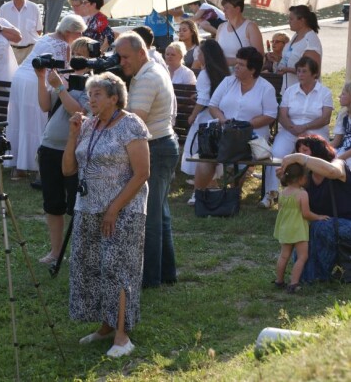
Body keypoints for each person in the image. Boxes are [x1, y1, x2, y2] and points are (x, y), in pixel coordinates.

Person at [62, 72, 150, 358]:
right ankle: (106, 325)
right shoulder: (89, 125)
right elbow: (67, 170)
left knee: (117, 268)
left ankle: (122, 337)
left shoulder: (131, 124)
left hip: (124, 210)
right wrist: (73, 134)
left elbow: (142, 173)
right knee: (92, 267)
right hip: (87, 207)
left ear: (115, 98)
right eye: (90, 94)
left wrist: (113, 208)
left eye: (98, 94)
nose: (91, 99)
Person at [115, 32, 178, 288]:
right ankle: (166, 273)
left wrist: (108, 113)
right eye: (119, 57)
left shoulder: (148, 78)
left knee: (149, 218)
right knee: (159, 216)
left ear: (141, 52)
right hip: (162, 144)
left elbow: (136, 120)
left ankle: (150, 279)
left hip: (156, 147)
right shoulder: (151, 69)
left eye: (125, 57)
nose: (121, 63)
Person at [6, 14, 86, 179]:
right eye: (79, 33)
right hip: (34, 80)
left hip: (20, 77)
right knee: (37, 121)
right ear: (70, 31)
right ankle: (35, 165)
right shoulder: (63, 45)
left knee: (22, 120)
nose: (80, 37)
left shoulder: (47, 36)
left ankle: (18, 165)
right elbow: (65, 72)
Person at [36, 37, 91, 264]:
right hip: (49, 148)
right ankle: (56, 252)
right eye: (73, 53)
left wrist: (59, 86)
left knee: (76, 205)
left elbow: (78, 111)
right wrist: (41, 79)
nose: (76, 59)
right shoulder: (64, 81)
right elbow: (45, 106)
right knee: (52, 202)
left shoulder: (93, 85)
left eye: (81, 54)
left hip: (73, 151)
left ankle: (79, 252)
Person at [193, 47, 278, 191]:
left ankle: (232, 194)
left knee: (241, 157)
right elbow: (213, 105)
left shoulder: (266, 88)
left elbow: (270, 115)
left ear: (252, 70)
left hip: (252, 137)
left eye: (241, 65)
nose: (236, 67)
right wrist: (225, 121)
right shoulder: (228, 81)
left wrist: (244, 126)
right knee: (205, 159)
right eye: (236, 63)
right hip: (225, 132)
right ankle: (198, 194)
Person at [277, 135, 351, 283]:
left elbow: (332, 172)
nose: (300, 155)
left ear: (318, 151)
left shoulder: (338, 164)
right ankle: (308, 275)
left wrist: (299, 157)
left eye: (305, 150)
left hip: (346, 224)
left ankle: (317, 275)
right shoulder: (305, 179)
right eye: (298, 151)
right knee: (304, 232)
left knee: (319, 227)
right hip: (321, 224)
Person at [262, 57, 333, 208]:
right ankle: (271, 193)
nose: (300, 74)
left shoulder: (324, 92)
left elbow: (326, 118)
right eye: (299, 71)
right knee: (275, 153)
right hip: (291, 130)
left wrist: (305, 127)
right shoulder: (290, 91)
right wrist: (292, 128)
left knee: (318, 156)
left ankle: (314, 196)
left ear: (314, 74)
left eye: (304, 71)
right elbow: (282, 115)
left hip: (315, 132)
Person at [181, 40, 229, 203]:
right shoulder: (223, 72)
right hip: (217, 117)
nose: (198, 56)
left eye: (200, 53)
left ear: (206, 55)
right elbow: (213, 93)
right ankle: (212, 188)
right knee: (209, 153)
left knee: (200, 152)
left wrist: (193, 115)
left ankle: (199, 192)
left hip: (205, 119)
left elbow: (204, 99)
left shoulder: (204, 73)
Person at [274, 162, 329, 293]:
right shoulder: (302, 194)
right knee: (302, 257)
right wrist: (319, 217)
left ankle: (279, 281)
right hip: (298, 230)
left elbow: (280, 210)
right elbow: (306, 214)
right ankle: (294, 283)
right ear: (300, 179)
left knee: (283, 256)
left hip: (285, 228)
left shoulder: (283, 192)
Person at [277, 5, 322, 95]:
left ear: (302, 20)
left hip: (304, 94)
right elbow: (292, 58)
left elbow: (313, 71)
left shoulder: (310, 41)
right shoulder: (296, 35)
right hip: (288, 91)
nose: (289, 22)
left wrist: (288, 69)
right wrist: (277, 59)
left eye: (291, 19)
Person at [0, 0, 43, 64]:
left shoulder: (34, 8)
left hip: (30, 51)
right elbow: (0, 31)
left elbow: (39, 31)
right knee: (10, 77)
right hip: (10, 51)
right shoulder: (4, 9)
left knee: (28, 76)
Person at [216, 0, 264, 67]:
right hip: (221, 73)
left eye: (226, 8)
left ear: (237, 9)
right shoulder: (221, 27)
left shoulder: (250, 27)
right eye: (223, 8)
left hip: (243, 74)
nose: (224, 11)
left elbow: (259, 56)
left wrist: (235, 61)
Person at [331, 82, 351, 168]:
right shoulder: (343, 114)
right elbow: (336, 141)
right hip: (343, 149)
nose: (339, 96)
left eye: (343, 94)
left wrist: (338, 159)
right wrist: (323, 151)